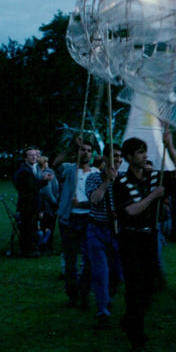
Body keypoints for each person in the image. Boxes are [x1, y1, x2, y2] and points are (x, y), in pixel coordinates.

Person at [112, 130, 176, 352]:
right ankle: (137, 340)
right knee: (135, 288)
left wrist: (170, 146)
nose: (144, 155)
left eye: (145, 151)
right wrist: (154, 196)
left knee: (150, 287)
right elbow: (130, 211)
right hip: (130, 238)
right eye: (139, 152)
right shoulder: (121, 182)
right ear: (128, 157)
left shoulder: (155, 176)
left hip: (149, 238)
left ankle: (130, 319)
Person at [84, 143, 125, 327]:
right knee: (101, 272)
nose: (117, 159)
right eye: (114, 155)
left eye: (120, 156)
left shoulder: (124, 179)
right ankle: (102, 310)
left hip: (116, 231)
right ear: (105, 156)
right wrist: (107, 180)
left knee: (117, 273)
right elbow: (93, 200)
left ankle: (107, 297)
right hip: (97, 230)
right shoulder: (94, 177)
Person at [53, 137, 95, 309]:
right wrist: (71, 148)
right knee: (70, 260)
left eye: (88, 150)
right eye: (82, 149)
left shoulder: (95, 173)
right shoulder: (69, 169)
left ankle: (84, 292)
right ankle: (72, 294)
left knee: (89, 259)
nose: (86, 153)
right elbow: (55, 163)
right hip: (69, 219)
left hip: (89, 219)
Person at [13, 146, 53, 258]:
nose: (34, 157)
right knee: (28, 228)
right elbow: (31, 187)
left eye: (35, 155)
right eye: (31, 155)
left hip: (33, 204)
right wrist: (44, 181)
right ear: (25, 158)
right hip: (27, 205)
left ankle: (31, 249)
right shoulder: (24, 171)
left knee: (32, 227)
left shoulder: (32, 169)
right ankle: (27, 250)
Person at [37, 155, 59, 254]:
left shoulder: (48, 172)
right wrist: (55, 201)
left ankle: (46, 245)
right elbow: (47, 191)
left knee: (48, 226)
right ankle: (46, 246)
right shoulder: (47, 174)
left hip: (50, 204)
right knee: (48, 226)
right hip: (48, 205)